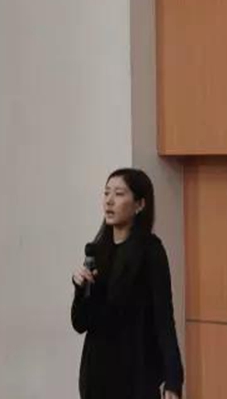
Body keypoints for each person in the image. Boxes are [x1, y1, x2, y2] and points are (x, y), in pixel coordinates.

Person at [71, 168, 184, 399]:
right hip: (97, 377)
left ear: (139, 205)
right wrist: (80, 289)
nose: (109, 201)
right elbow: (80, 323)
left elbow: (164, 319)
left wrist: (173, 379)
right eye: (106, 193)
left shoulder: (151, 251)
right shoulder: (97, 252)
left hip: (136, 376)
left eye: (119, 194)